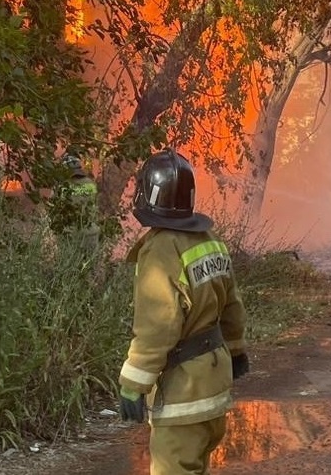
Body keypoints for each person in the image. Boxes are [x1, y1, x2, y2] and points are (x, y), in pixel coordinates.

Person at [117, 149, 249, 475]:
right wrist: (236, 351)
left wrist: (134, 383)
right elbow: (232, 306)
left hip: (184, 394)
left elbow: (157, 326)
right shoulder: (210, 241)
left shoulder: (161, 249)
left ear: (147, 195)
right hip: (214, 386)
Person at [49, 151, 100, 260]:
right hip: (90, 234)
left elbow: (52, 207)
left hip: (70, 235)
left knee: (67, 270)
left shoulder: (62, 186)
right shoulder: (90, 184)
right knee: (88, 271)